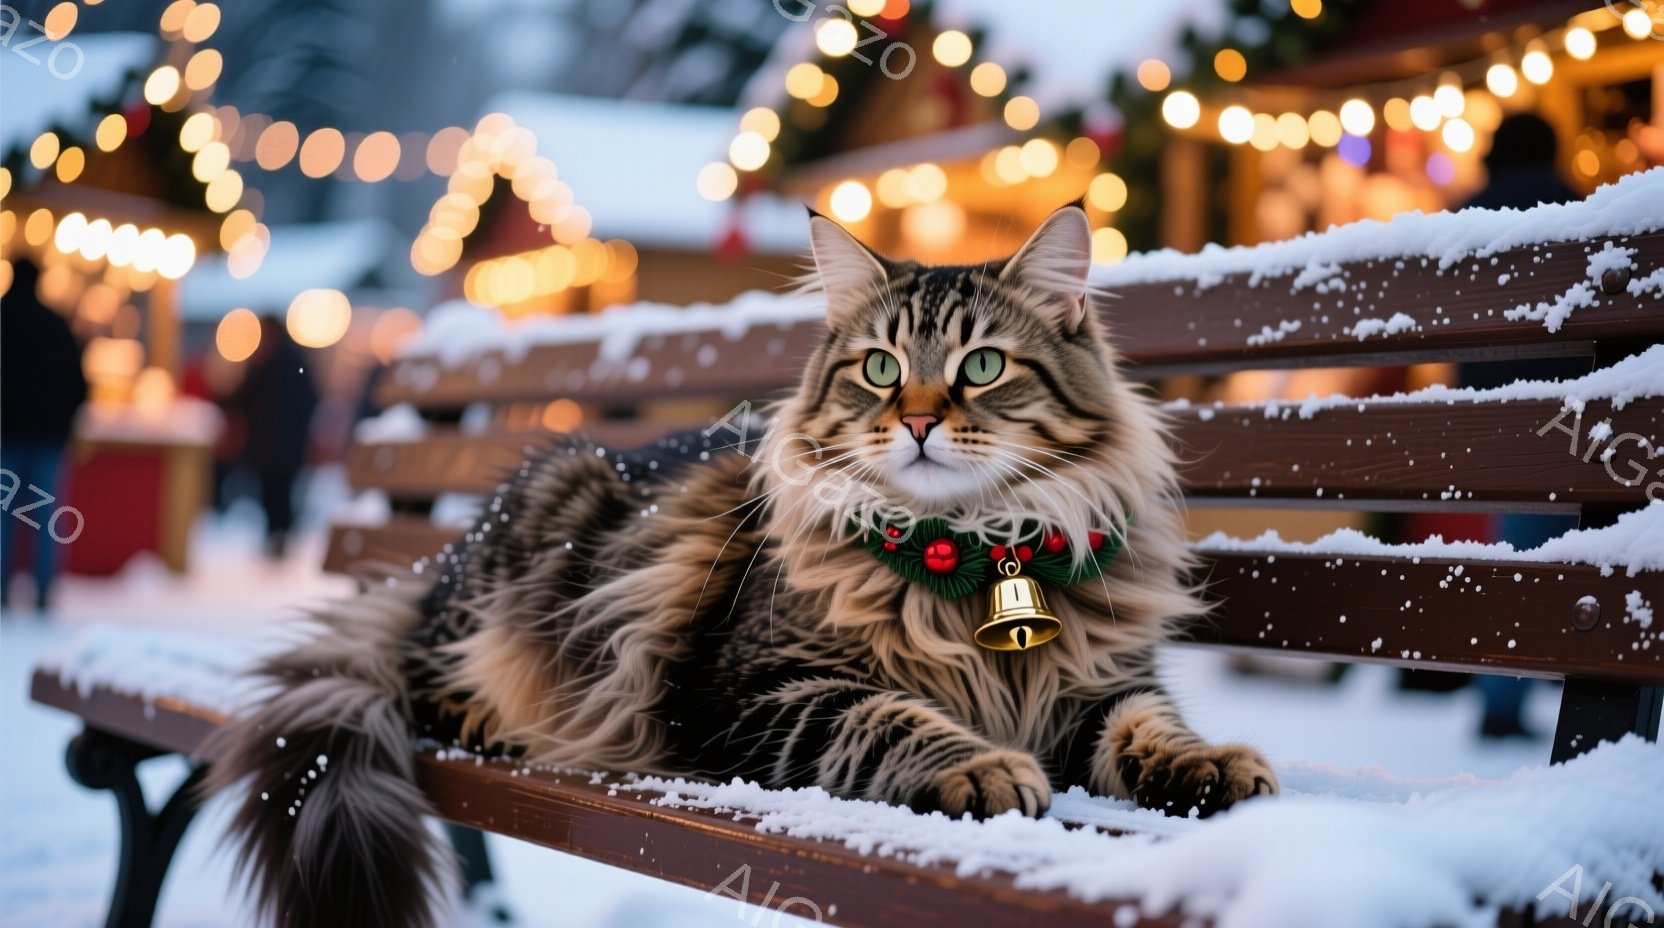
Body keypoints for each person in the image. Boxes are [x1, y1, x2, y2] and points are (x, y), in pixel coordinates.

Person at [1460, 113, 1584, 738]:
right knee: (1559, 553)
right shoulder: (1582, 212)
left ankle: (1499, 700)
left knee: (1515, 553)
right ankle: (1507, 704)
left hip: (1486, 424)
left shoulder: (1467, 215)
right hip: (1572, 424)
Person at [1, 259, 89, 612]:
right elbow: (79, 386)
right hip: (49, 441)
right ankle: (42, 592)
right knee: (47, 517)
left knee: (3, 516)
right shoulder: (55, 325)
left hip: (4, 437)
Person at [227, 317, 319, 559]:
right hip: (283, 445)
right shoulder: (294, 361)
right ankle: (279, 537)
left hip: (273, 445)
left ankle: (277, 537)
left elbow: (244, 397)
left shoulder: (266, 361)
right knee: (280, 492)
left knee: (275, 492)